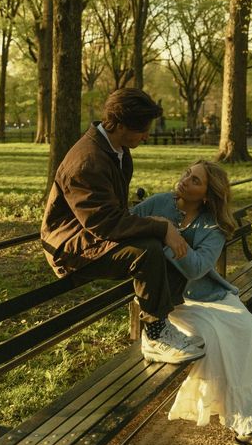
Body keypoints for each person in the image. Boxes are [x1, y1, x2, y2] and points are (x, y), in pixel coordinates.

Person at [132, 160, 252, 445]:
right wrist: (162, 233)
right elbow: (128, 225)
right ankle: (249, 427)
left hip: (207, 295)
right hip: (171, 302)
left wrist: (166, 239)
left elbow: (197, 268)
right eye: (186, 175)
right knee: (215, 338)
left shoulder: (213, 225)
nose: (184, 182)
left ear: (207, 194)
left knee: (245, 327)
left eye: (195, 181)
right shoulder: (159, 203)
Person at [41, 88, 205, 365]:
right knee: (147, 250)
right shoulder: (86, 161)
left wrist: (160, 226)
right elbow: (103, 223)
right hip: (71, 246)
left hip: (94, 233)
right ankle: (154, 335)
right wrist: (160, 227)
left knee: (161, 243)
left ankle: (166, 322)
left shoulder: (118, 151)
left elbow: (112, 215)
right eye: (141, 129)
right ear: (118, 124)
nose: (146, 135)